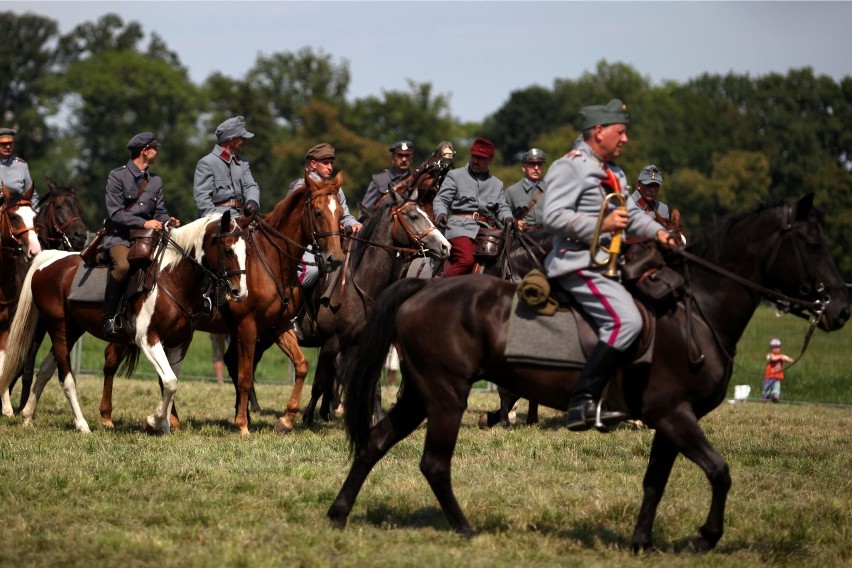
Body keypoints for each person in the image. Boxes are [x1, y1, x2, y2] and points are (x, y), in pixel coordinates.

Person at [542, 99, 677, 431]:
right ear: (598, 132)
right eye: (621, 132)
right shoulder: (568, 166)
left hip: (611, 266)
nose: (626, 139)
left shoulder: (614, 173)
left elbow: (628, 218)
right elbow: (552, 216)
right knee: (627, 321)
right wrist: (600, 225)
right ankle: (581, 402)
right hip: (576, 264)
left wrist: (659, 231)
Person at [102, 132, 180, 339]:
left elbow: (159, 211)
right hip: (121, 237)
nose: (158, 151)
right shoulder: (117, 176)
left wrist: (167, 221)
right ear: (145, 151)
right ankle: (109, 317)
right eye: (155, 148)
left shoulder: (155, 181)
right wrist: (144, 222)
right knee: (123, 266)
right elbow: (115, 213)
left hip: (148, 238)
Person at [432, 137, 515, 276]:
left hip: (486, 231)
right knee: (466, 260)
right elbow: (441, 199)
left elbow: (502, 207)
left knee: (504, 261)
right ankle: (437, 286)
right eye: (474, 156)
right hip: (459, 228)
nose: (476, 161)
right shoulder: (455, 175)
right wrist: (440, 213)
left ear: (490, 160)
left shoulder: (497, 184)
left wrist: (508, 218)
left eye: (481, 158)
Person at [288, 143, 362, 289]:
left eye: (331, 163)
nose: (330, 167)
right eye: (325, 163)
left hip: (331, 241)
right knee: (311, 271)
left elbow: (345, 215)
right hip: (305, 244)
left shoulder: (334, 189)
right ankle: (294, 306)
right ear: (313, 164)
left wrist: (354, 223)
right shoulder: (301, 187)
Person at [193, 116, 261, 219]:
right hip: (217, 221)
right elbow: (202, 200)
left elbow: (251, 186)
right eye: (242, 138)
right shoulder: (207, 163)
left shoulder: (243, 162)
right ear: (231, 140)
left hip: (241, 217)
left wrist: (253, 201)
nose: (245, 142)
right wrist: (218, 220)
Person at [359, 140, 414, 221]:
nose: (404, 159)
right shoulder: (379, 180)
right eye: (400, 155)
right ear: (393, 158)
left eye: (407, 155)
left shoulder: (416, 181)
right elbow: (365, 211)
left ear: (412, 158)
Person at [504, 148, 547, 228]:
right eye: (532, 164)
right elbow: (501, 216)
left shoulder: (550, 189)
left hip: (547, 236)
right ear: (524, 168)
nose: (536, 168)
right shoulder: (511, 191)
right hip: (522, 237)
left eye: (540, 164)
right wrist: (515, 222)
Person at [0, 127, 38, 208]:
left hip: (19, 211)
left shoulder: (21, 165)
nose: (7, 147)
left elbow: (32, 195)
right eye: (3, 144)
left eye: (10, 143)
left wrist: (36, 214)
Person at [762, 338, 794, 403]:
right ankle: (765, 398)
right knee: (767, 389)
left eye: (777, 347)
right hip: (769, 377)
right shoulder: (770, 355)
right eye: (774, 347)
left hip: (777, 377)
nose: (776, 349)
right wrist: (781, 357)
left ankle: (775, 397)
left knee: (776, 388)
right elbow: (773, 358)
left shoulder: (781, 356)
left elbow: (791, 360)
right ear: (771, 348)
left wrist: (787, 359)